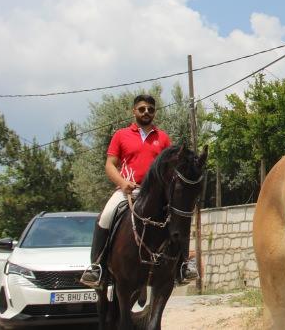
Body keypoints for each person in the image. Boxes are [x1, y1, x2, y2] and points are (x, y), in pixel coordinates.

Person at [80, 94, 197, 287]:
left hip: (157, 196)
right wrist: (122, 182)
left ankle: (184, 266)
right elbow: (110, 165)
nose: (146, 112)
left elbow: (173, 168)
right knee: (105, 217)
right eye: (142, 109)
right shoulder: (121, 135)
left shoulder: (163, 138)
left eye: (150, 109)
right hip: (128, 191)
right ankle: (96, 268)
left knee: (179, 219)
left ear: (154, 112)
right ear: (134, 111)